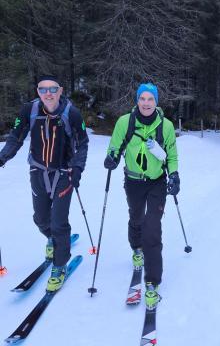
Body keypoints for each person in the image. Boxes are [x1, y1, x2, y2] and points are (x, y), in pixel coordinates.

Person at [0, 75, 88, 291]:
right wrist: (2, 156)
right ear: (38, 92)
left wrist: (77, 169)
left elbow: (83, 143)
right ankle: (51, 239)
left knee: (59, 222)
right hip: (37, 171)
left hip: (63, 173)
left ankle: (60, 264)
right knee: (40, 218)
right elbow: (16, 136)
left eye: (53, 89)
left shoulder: (71, 113)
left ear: (60, 91)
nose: (48, 93)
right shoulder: (28, 111)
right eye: (43, 89)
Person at [104, 82, 179, 309]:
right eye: (143, 99)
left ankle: (153, 281)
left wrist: (174, 176)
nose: (146, 103)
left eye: (151, 99)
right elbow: (114, 147)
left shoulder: (165, 126)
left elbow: (172, 156)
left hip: (156, 182)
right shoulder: (124, 123)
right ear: (137, 100)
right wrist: (112, 158)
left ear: (156, 102)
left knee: (152, 228)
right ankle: (136, 249)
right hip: (133, 181)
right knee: (136, 218)